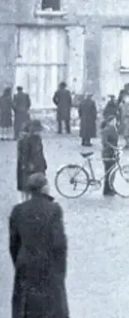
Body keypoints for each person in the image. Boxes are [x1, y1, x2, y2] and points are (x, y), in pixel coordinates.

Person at [9, 173, 69, 318]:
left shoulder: (17, 210)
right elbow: (59, 243)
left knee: (25, 307)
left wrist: (19, 262)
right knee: (52, 306)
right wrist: (61, 270)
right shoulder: (54, 209)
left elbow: (13, 244)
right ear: (45, 188)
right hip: (48, 265)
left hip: (25, 265)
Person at [16, 120, 46, 203]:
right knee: (26, 187)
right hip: (29, 168)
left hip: (38, 166)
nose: (39, 132)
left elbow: (40, 153)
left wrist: (44, 164)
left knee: (37, 187)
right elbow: (24, 156)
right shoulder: (25, 140)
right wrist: (26, 165)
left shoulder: (37, 139)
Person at [100, 115, 119, 197]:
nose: (115, 122)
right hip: (108, 153)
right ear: (110, 122)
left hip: (112, 152)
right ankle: (106, 190)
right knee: (108, 172)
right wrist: (113, 147)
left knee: (111, 172)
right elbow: (104, 142)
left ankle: (110, 188)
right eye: (114, 121)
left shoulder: (113, 129)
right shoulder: (107, 130)